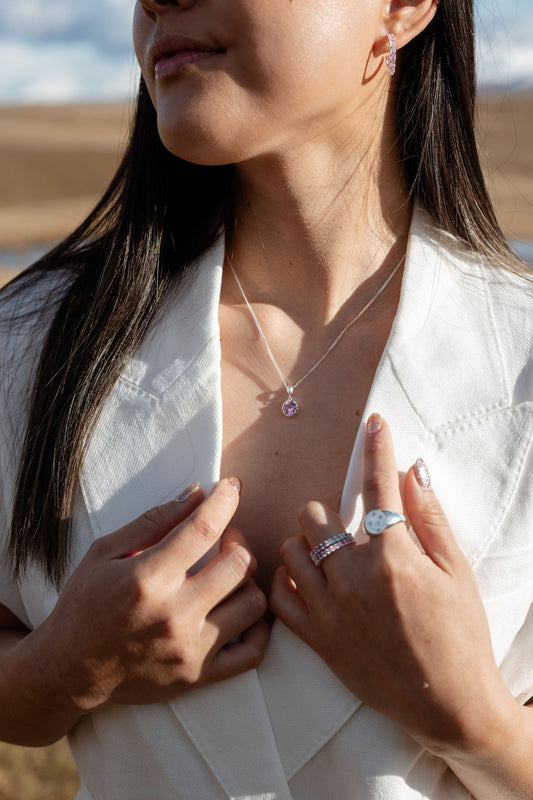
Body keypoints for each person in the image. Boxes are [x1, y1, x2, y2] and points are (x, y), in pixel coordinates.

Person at [0, 0, 532, 798]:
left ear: (401, 7)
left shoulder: (519, 361)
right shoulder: (29, 345)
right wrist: (63, 668)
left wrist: (474, 719)